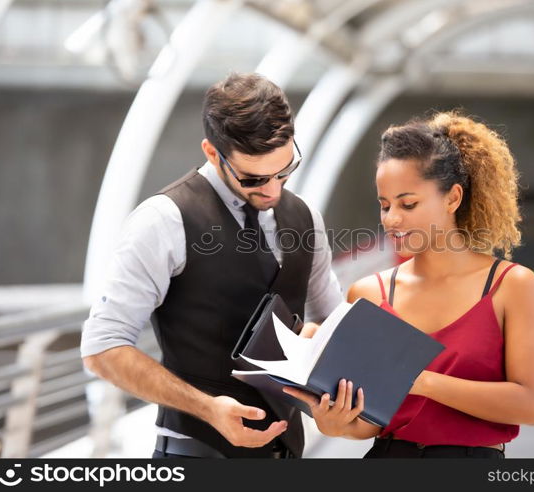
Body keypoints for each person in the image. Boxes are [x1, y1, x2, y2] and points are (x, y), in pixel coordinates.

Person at [81, 73, 343, 458]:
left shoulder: (307, 217)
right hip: (195, 453)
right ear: (211, 152)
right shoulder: (162, 220)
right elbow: (102, 347)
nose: (273, 189)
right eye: (254, 178)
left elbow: (333, 322)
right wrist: (207, 408)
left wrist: (324, 357)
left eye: (285, 169)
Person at [284, 111, 534, 458]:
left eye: (408, 204)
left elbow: (529, 405)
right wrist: (334, 423)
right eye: (385, 205)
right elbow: (371, 422)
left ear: (453, 198)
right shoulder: (369, 293)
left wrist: (421, 381)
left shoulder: (511, 285)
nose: (392, 219)